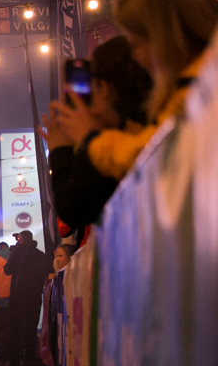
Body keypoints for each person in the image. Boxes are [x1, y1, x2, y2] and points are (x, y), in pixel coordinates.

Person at [51, 0, 218, 184]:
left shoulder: (199, 93)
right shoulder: (199, 84)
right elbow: (161, 142)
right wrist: (119, 123)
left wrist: (90, 139)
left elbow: (152, 159)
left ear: (161, 37)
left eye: (136, 44)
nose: (134, 56)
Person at [41, 37, 152, 235]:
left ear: (104, 88)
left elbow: (73, 209)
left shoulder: (107, 141)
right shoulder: (164, 117)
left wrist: (62, 149)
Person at [4, 230, 54, 366]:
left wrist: (15, 251)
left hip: (16, 295)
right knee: (30, 328)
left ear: (20, 240)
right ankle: (28, 359)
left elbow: (7, 270)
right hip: (33, 295)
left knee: (15, 328)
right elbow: (46, 272)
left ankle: (14, 360)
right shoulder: (39, 255)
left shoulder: (17, 253)